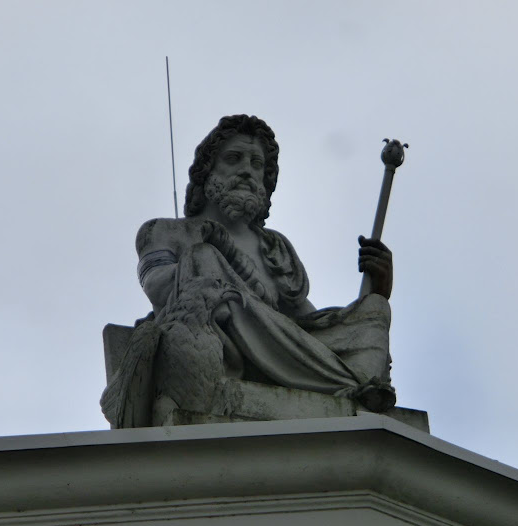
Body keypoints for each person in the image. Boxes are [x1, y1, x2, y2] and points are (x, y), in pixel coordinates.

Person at [101, 115, 395, 428]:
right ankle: (332, 381)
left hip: (280, 344)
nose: (246, 170)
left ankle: (360, 387)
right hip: (212, 343)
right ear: (207, 171)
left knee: (376, 309)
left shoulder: (275, 246)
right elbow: (158, 286)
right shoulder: (165, 231)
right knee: (203, 257)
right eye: (233, 158)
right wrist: (214, 268)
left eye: (257, 164)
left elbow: (302, 322)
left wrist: (373, 293)